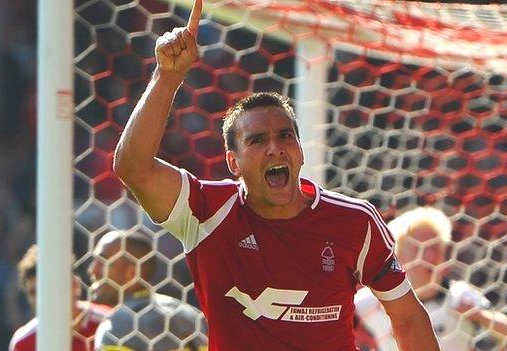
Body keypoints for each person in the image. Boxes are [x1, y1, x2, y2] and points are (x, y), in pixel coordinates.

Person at [111, 0, 439, 350]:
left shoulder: (356, 222)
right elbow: (133, 168)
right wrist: (169, 75)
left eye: (285, 135)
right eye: (256, 140)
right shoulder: (206, 211)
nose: (274, 148)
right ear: (233, 163)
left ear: (300, 151)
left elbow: (406, 316)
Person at [354, 207, 507, 351]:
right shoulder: (371, 301)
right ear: (398, 254)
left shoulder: (460, 296)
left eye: (435, 247)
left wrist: (481, 317)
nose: (430, 256)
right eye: (419, 248)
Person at [89, 230, 207, 350]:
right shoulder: (192, 315)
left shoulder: (118, 326)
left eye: (102, 261)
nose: (93, 270)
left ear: (133, 272)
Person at [8, 245, 110, 351]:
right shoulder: (22, 343)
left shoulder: (107, 322)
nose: (40, 299)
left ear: (75, 285)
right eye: (33, 292)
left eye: (47, 290)